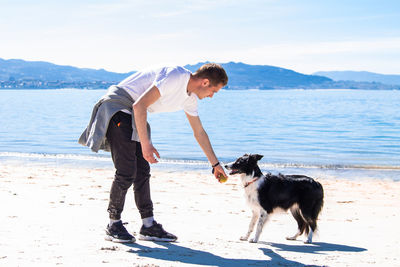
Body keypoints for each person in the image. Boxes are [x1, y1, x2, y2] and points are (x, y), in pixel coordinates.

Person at [78, 63, 228, 243]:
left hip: (133, 113)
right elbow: (140, 105)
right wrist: (146, 144)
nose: (212, 96)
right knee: (126, 172)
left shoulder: (190, 99)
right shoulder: (176, 76)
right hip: (118, 106)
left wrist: (215, 164)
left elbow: (199, 132)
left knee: (142, 172)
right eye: (214, 91)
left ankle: (148, 226)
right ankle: (113, 224)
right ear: (205, 82)